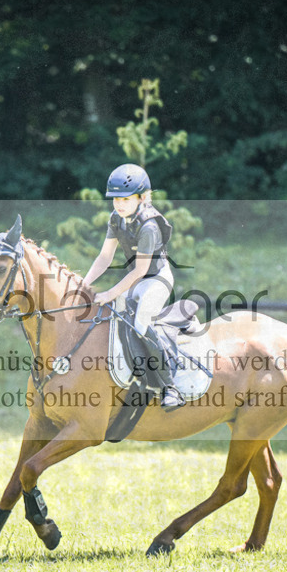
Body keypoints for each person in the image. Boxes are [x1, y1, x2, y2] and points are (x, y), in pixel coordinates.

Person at [83, 163, 185, 410]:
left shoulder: (149, 226)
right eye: (116, 199)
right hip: (137, 280)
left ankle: (170, 387)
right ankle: (132, 377)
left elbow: (141, 271)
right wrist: (83, 284)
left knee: (140, 323)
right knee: (115, 319)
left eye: (126, 199)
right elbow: (104, 258)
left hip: (157, 280)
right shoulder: (116, 219)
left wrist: (109, 293)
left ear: (142, 198)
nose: (119, 204)